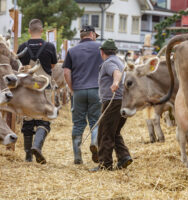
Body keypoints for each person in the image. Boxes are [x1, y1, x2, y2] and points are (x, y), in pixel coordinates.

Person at [17, 19, 57, 164]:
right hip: (43, 88)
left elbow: (19, 66)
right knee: (44, 120)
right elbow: (53, 65)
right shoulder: (49, 46)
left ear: (29, 31)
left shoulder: (22, 46)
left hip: (27, 90)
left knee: (27, 120)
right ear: (41, 31)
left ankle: (28, 156)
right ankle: (37, 146)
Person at [90, 39, 132, 172]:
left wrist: (115, 83)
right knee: (114, 132)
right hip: (122, 101)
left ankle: (105, 164)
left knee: (105, 132)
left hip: (112, 102)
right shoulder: (119, 61)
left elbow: (116, 73)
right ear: (115, 51)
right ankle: (124, 157)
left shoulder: (109, 62)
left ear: (102, 52)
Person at [63, 25, 103, 164]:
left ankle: (77, 156)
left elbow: (66, 72)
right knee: (95, 121)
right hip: (96, 89)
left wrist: (72, 88)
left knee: (78, 123)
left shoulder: (72, 50)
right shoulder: (100, 49)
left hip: (79, 90)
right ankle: (94, 142)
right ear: (92, 34)